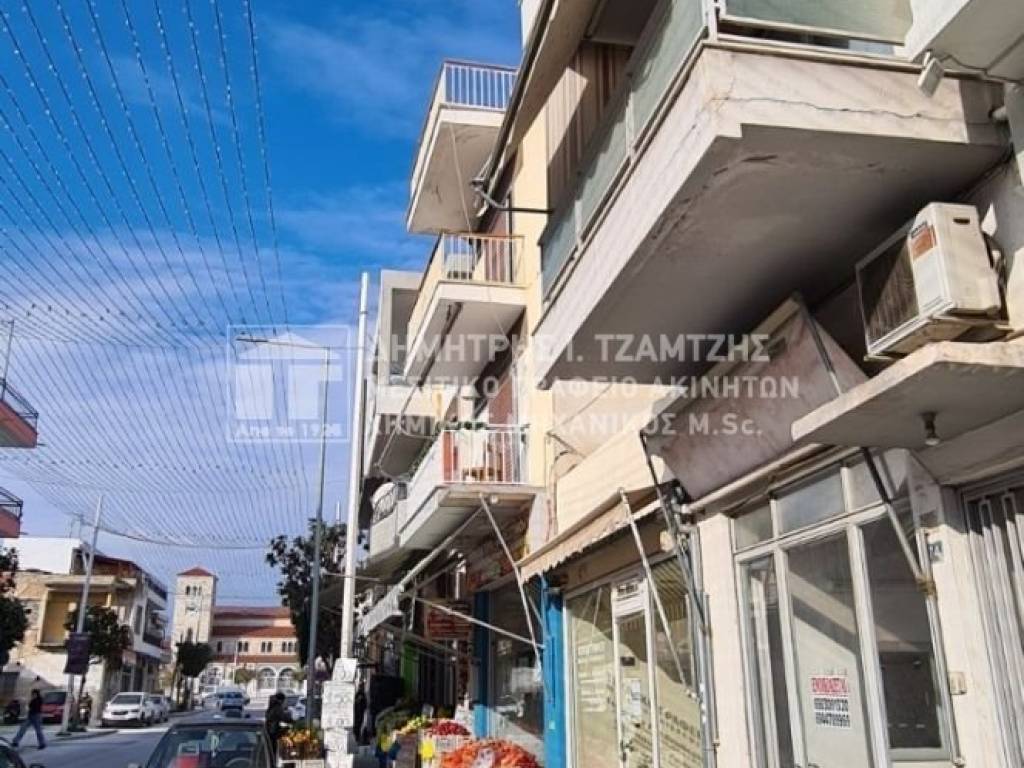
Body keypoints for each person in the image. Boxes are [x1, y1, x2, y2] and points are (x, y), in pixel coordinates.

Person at [264, 691, 293, 757]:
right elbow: (283, 717)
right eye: (284, 700)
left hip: (269, 729)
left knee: (270, 748)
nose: (284, 702)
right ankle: (272, 760)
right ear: (281, 700)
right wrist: (291, 721)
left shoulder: (272, 705)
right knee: (273, 749)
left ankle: (271, 759)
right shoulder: (277, 707)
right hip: (272, 730)